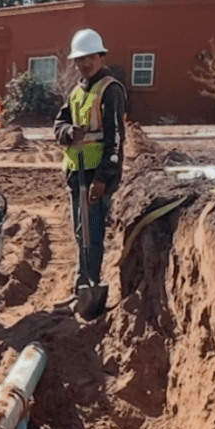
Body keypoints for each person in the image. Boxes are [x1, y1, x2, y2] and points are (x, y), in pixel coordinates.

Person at [53, 28, 127, 317]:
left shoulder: (110, 90)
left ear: (101, 56)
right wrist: (70, 132)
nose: (85, 64)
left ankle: (90, 287)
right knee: (80, 233)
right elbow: (59, 126)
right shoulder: (77, 93)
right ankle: (81, 287)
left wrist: (102, 179)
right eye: (80, 60)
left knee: (91, 234)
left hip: (96, 176)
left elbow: (116, 140)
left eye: (90, 58)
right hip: (77, 173)